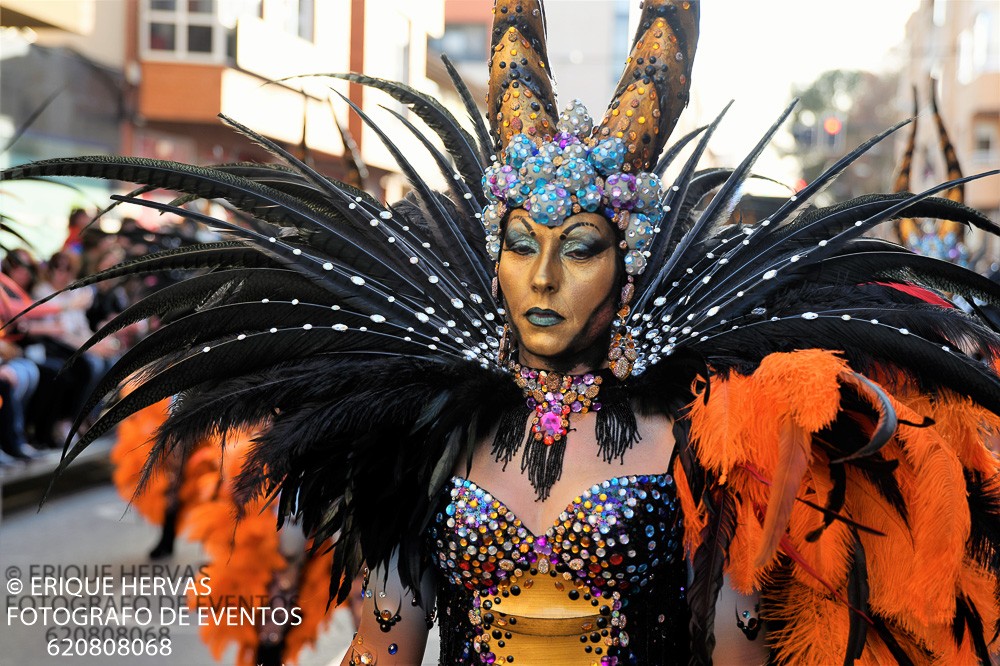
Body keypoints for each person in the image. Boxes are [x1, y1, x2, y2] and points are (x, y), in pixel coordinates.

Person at [3, 1, 998, 663]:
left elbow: (736, 633)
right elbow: (388, 642)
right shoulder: (428, 431)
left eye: (580, 246)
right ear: (491, 251)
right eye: (520, 242)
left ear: (629, 260)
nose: (545, 276)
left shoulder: (711, 435)